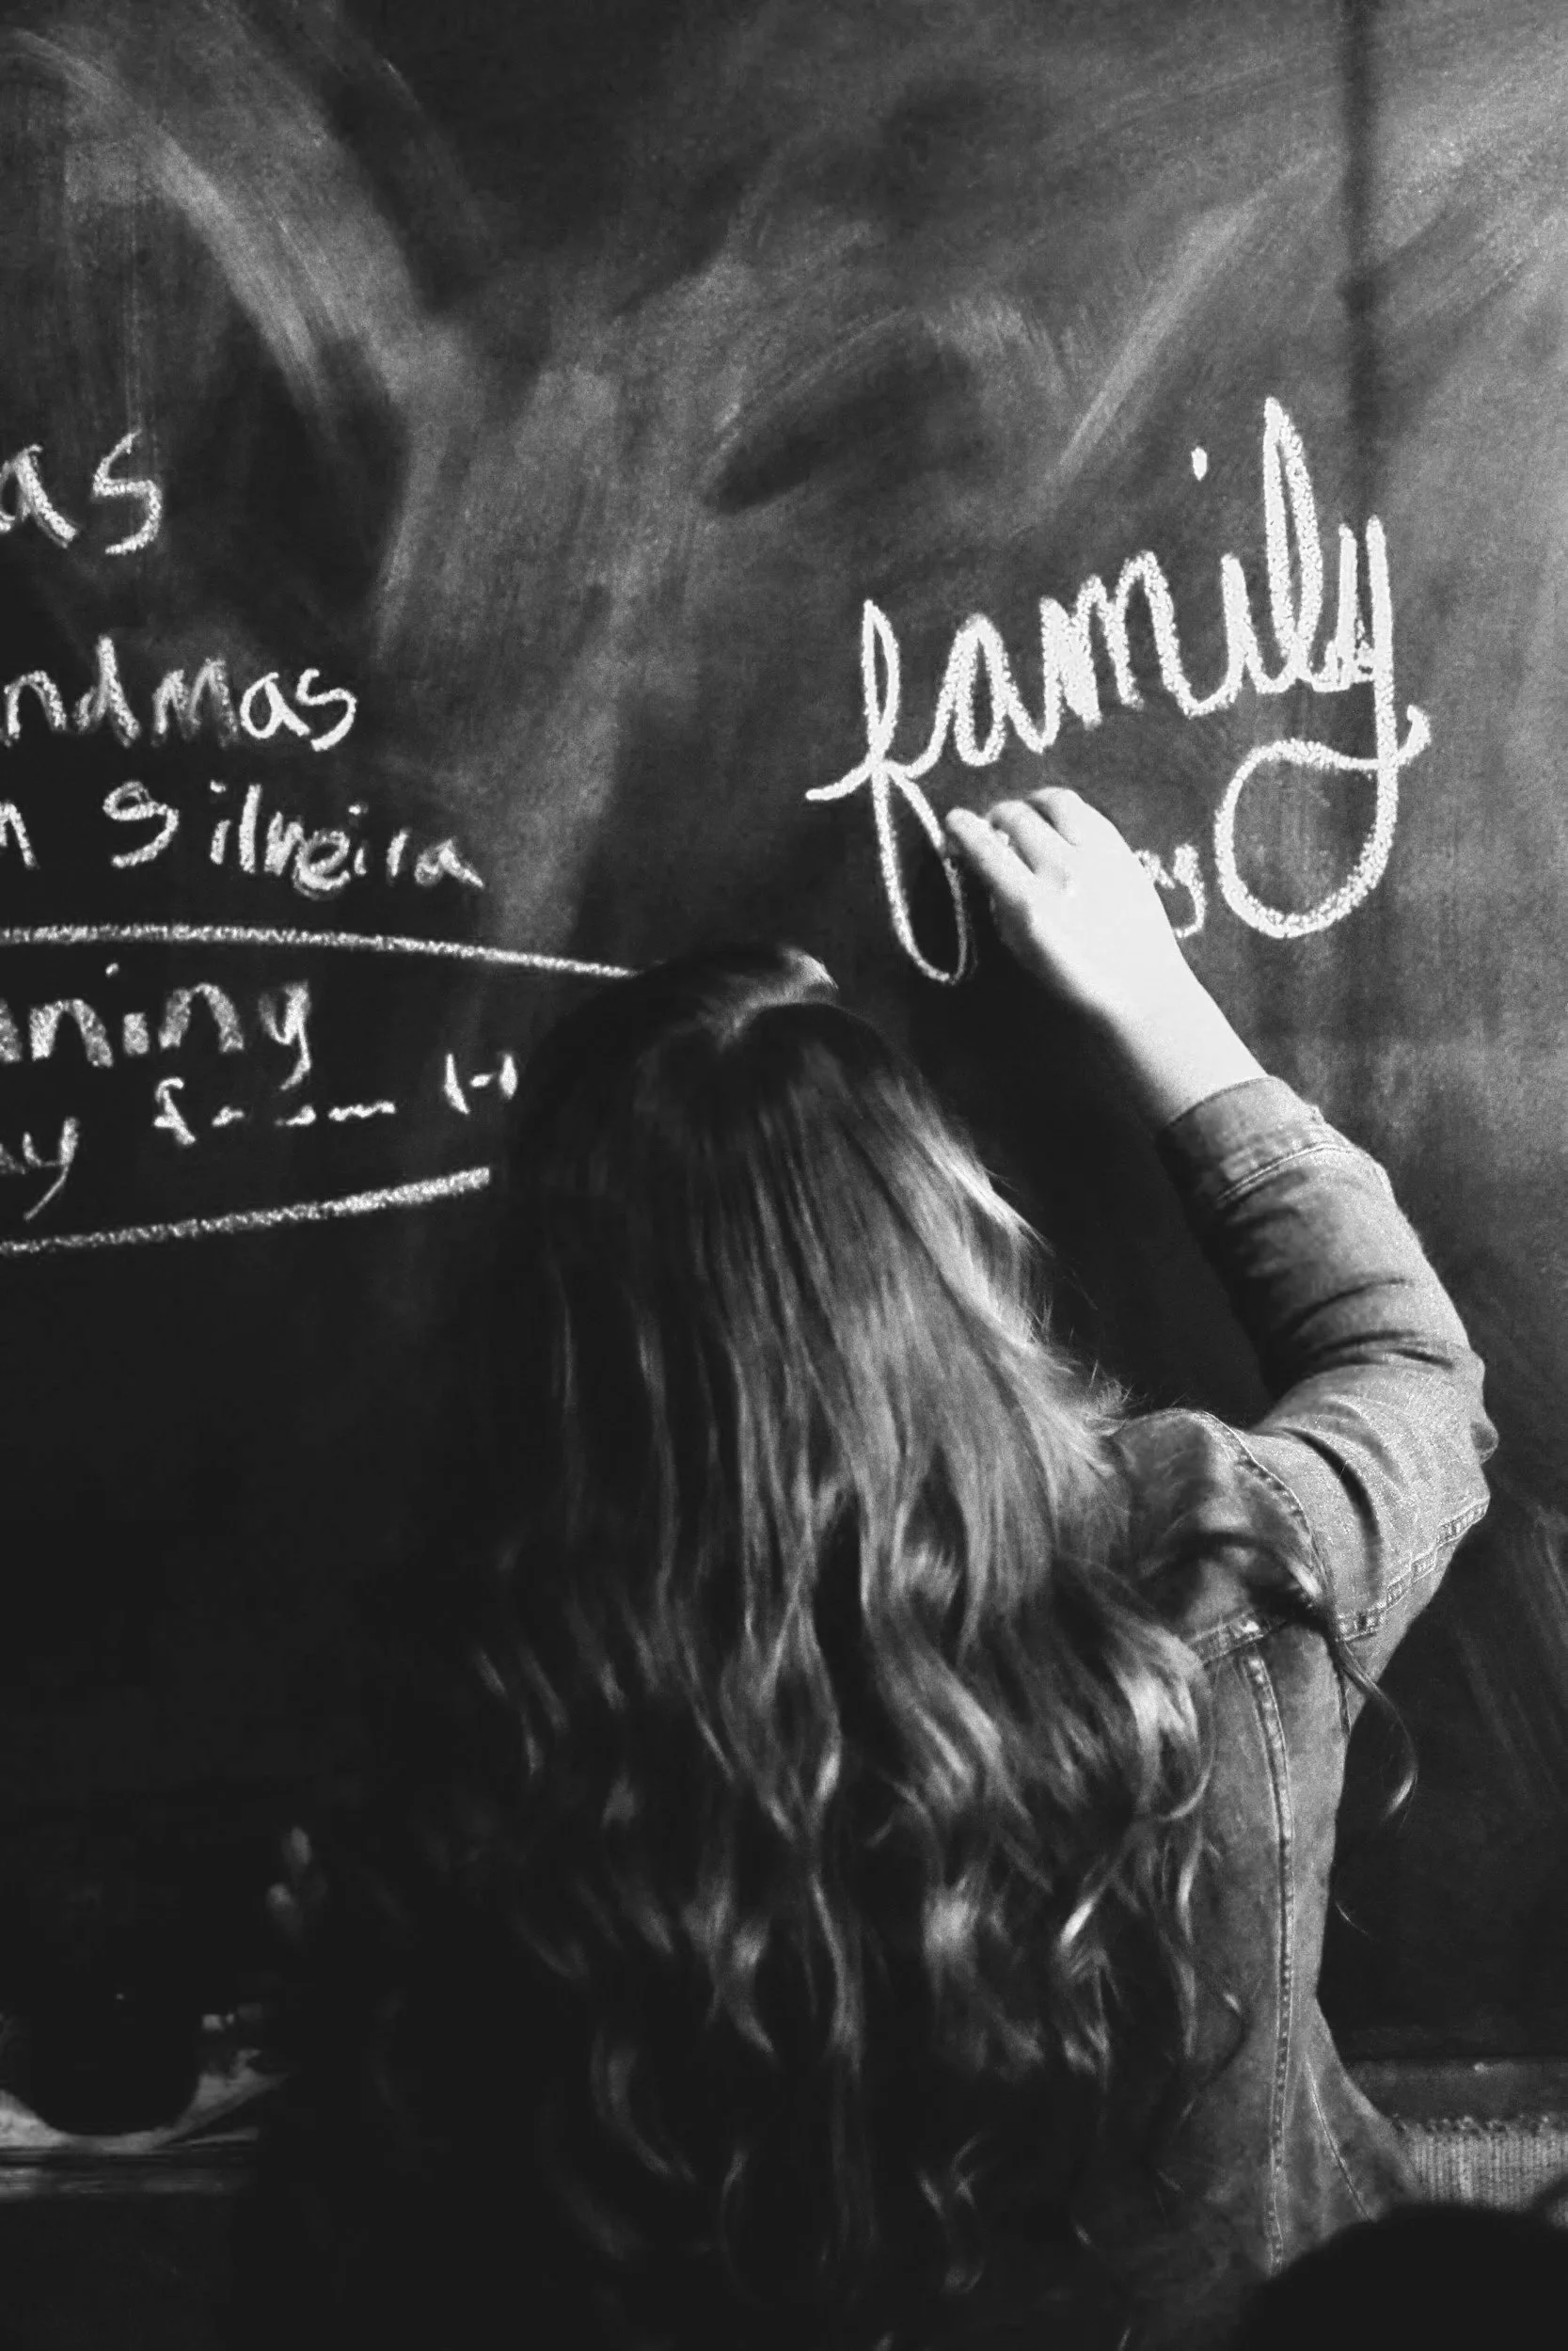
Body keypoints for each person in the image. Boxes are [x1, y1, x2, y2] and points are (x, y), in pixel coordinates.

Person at [242, 787, 1494, 2351]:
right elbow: (1413, 1373)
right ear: (945, 1240)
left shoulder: (483, 1726)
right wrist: (1160, 1008)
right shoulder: (1195, 1559)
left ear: (546, 1332)